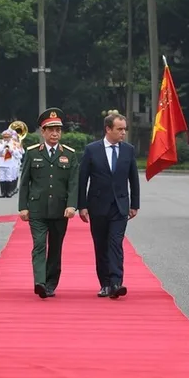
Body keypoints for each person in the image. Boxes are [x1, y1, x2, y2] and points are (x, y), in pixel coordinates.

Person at [18, 107, 79, 299]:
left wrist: (72, 205)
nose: (55, 133)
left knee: (55, 247)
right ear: (43, 132)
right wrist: (23, 207)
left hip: (60, 210)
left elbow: (73, 183)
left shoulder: (69, 154)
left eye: (58, 130)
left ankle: (51, 283)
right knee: (39, 245)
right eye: (50, 129)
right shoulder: (32, 153)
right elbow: (25, 181)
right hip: (37, 208)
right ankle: (40, 282)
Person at [78, 113, 140, 299]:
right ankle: (104, 283)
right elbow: (83, 179)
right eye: (119, 129)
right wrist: (82, 205)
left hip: (120, 206)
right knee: (101, 245)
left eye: (124, 129)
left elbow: (133, 179)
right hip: (97, 205)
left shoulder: (128, 150)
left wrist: (134, 204)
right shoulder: (91, 150)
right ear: (108, 129)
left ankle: (116, 282)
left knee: (115, 242)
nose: (123, 133)